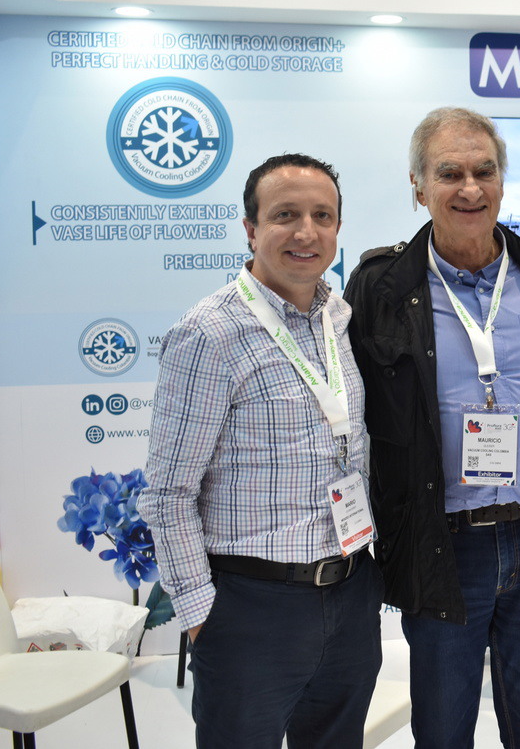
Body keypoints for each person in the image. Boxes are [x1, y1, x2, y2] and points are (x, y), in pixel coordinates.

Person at [345, 108, 520, 748]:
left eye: (484, 172)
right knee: (442, 733)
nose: (470, 189)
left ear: (502, 182)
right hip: (442, 546)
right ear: (418, 187)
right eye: (449, 173)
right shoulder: (380, 287)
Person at [140, 154, 382, 748]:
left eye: (322, 216)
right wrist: (202, 616)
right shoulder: (209, 333)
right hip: (251, 608)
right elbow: (168, 495)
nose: (306, 232)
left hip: (350, 592)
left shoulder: (339, 319)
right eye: (285, 215)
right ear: (251, 229)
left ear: (338, 228)